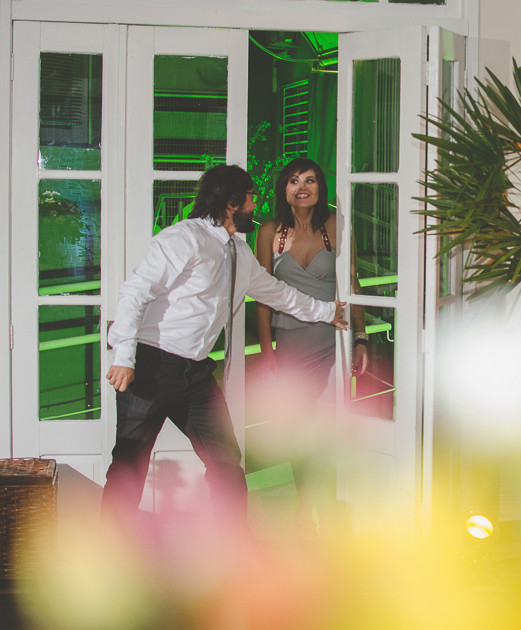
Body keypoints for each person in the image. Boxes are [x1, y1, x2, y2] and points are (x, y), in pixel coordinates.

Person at [103, 164, 348, 527]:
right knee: (130, 463)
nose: (255, 204)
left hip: (195, 376)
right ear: (232, 203)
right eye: (250, 197)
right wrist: (124, 357)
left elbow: (277, 293)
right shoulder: (184, 238)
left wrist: (327, 312)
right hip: (153, 366)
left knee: (225, 461)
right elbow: (134, 293)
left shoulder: (238, 252)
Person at [254, 157, 368, 533]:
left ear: (320, 187)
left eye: (310, 180)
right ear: (283, 189)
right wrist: (267, 353)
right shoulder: (269, 232)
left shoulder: (335, 226)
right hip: (289, 345)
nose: (302, 187)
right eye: (293, 181)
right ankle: (306, 507)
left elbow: (351, 283)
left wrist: (361, 338)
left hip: (332, 343)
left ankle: (325, 504)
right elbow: (263, 296)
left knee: (328, 429)